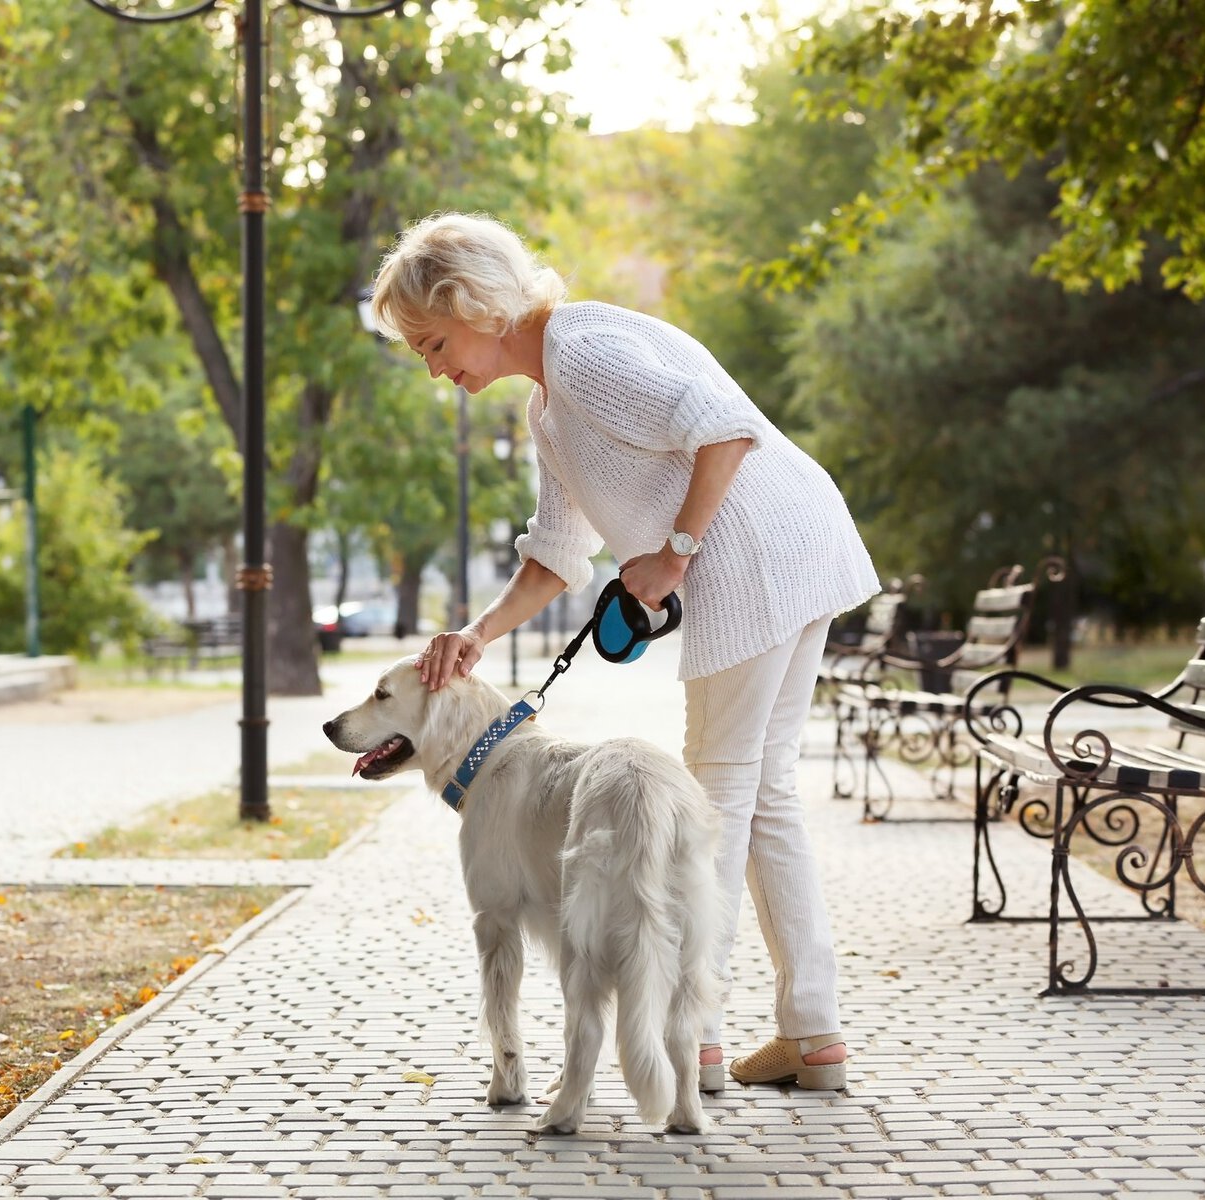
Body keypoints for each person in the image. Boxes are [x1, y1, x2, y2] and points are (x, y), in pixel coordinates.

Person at [368, 211, 881, 1092]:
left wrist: (676, 548)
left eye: (433, 340)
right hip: (795, 545)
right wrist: (476, 635)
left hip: (754, 559)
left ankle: (693, 1037)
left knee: (712, 795)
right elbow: (556, 556)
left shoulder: (582, 352)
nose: (434, 365)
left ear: (474, 304)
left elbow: (724, 428)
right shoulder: (550, 402)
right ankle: (811, 1032)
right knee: (761, 790)